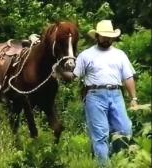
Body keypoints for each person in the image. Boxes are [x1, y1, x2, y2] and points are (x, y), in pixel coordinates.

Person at [57, 20, 138, 166]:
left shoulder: (120, 55)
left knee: (125, 129)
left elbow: (128, 77)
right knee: (100, 135)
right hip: (94, 95)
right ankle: (104, 164)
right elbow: (74, 76)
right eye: (104, 36)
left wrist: (134, 98)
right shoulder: (86, 55)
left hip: (116, 94)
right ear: (97, 36)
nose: (107, 39)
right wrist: (60, 71)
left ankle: (114, 158)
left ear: (113, 37)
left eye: (109, 36)